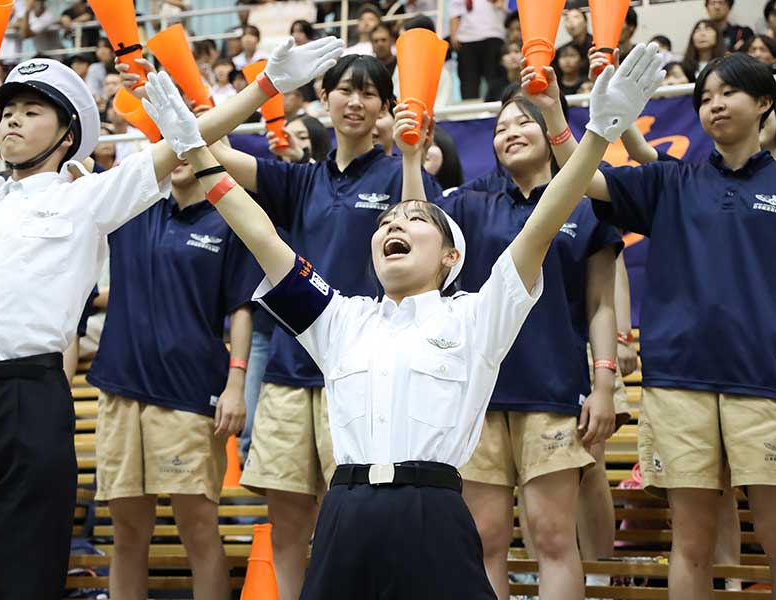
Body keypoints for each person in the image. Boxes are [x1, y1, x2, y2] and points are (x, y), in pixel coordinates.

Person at [136, 40, 665, 600]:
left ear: (449, 257)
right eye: (387, 219)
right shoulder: (340, 317)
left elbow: (543, 223)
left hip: (432, 511)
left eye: (415, 219)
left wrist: (598, 136)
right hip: (344, 512)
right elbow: (260, 233)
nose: (395, 223)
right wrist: (193, 148)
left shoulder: (478, 315)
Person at [0, 43, 344, 598]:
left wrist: (265, 86)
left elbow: (182, 143)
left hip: (31, 398)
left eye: (31, 111)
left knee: (28, 571)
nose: (12, 122)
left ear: (68, 135)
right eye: (7, 112)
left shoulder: (90, 198)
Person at [122, 45, 435, 600]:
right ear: (323, 96)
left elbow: (422, 234)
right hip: (292, 373)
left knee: (362, 523)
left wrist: (410, 159)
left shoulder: (394, 175)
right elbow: (206, 153)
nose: (355, 102)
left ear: (386, 106)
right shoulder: (300, 181)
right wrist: (192, 101)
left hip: (365, 372)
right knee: (288, 525)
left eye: (369, 93)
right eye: (345, 89)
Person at [550, 51, 776, 600]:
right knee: (691, 546)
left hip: (765, 386)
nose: (715, 105)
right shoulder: (673, 181)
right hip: (679, 385)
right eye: (704, 98)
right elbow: (586, 181)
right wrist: (556, 114)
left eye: (729, 93)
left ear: (765, 102)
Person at [439, 86, 621, 599]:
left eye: (522, 123)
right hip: (480, 397)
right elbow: (415, 216)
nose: (509, 134)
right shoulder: (471, 205)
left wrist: (604, 383)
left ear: (549, 133)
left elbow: (602, 303)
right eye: (499, 128)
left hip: (553, 392)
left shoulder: (586, 205)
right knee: (484, 540)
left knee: (553, 536)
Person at [86, 155, 260, 600]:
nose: (179, 158)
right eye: (170, 147)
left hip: (188, 396)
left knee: (197, 529)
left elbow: (242, 309)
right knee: (126, 534)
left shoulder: (228, 222)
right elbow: (72, 171)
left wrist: (236, 384)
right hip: (121, 390)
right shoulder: (132, 211)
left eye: (189, 148)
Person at [450, 0, 507, 100]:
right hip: (466, 38)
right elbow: (455, 11)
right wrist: (454, 35)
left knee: (495, 79)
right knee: (468, 83)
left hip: (493, 34)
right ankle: (469, 114)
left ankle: (500, 109)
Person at [562, 7, 592, 75]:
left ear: (585, 22)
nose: (571, 22)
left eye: (576, 17)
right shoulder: (562, 51)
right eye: (567, 19)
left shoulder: (596, 46)